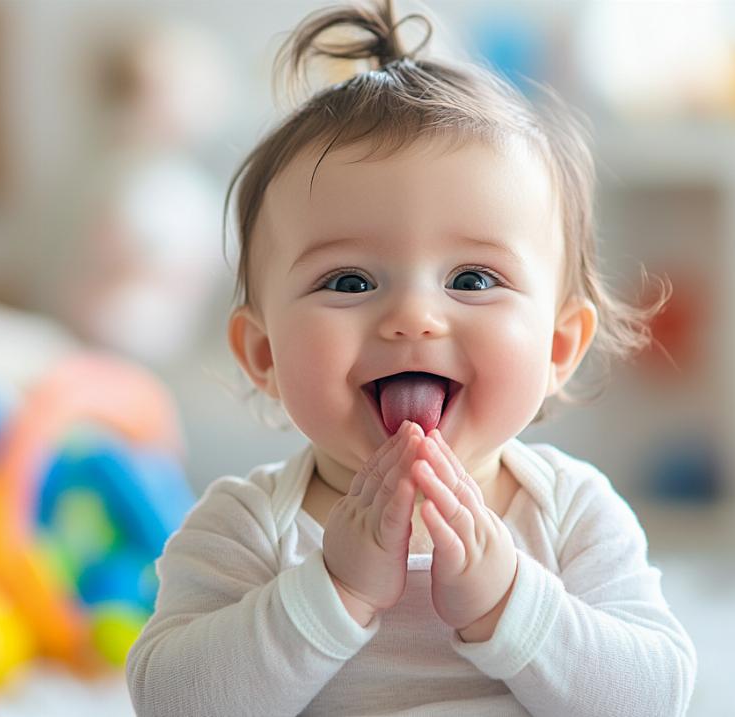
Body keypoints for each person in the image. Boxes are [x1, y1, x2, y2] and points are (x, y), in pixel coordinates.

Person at [126, 1, 695, 714]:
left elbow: (657, 697)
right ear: (263, 352)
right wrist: (333, 590)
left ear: (558, 347)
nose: (413, 318)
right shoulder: (246, 528)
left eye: (472, 280)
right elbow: (170, 701)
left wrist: (507, 603)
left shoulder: (573, 515)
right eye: (350, 281)